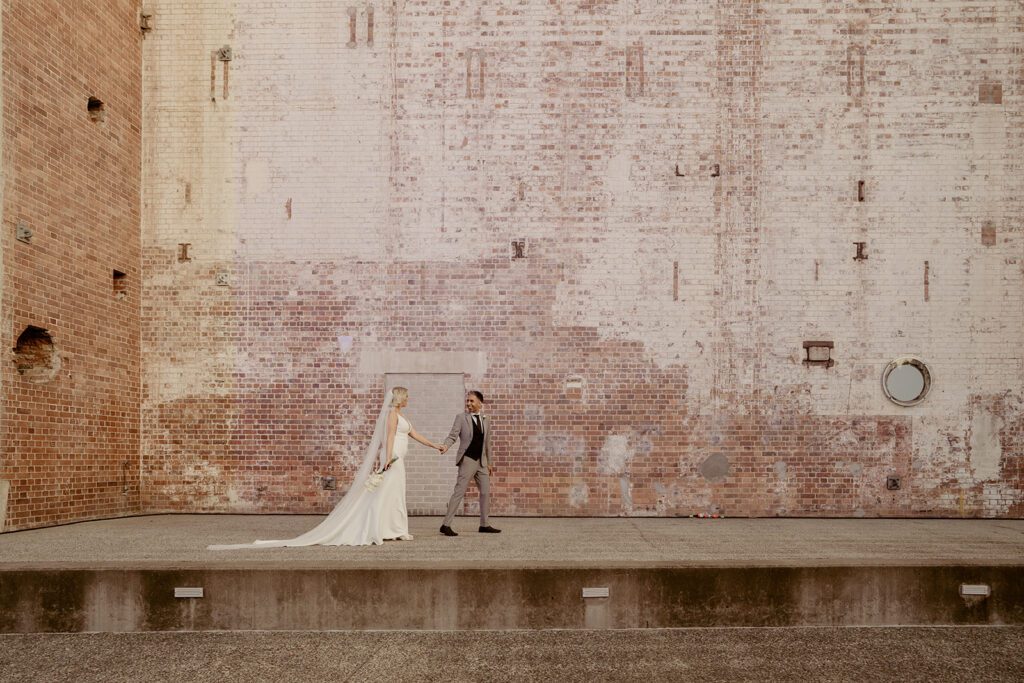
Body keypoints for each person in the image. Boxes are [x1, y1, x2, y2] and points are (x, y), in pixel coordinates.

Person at [209, 387, 444, 549]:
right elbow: (390, 436)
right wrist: (387, 458)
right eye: (407, 396)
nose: (408, 399)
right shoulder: (392, 414)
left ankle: (395, 527)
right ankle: (383, 528)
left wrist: (435, 445)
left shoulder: (403, 416)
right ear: (400, 398)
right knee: (385, 494)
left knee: (395, 495)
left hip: (398, 460)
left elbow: (415, 434)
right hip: (391, 459)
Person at [439, 390, 501, 536]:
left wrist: (490, 463)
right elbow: (453, 436)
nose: (469, 404)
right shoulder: (461, 418)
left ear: (480, 403)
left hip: (482, 462)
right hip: (467, 459)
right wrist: (445, 446)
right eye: (468, 401)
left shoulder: (486, 419)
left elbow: (487, 443)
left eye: (472, 401)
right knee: (459, 492)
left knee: (485, 492)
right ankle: (445, 525)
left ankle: (484, 525)